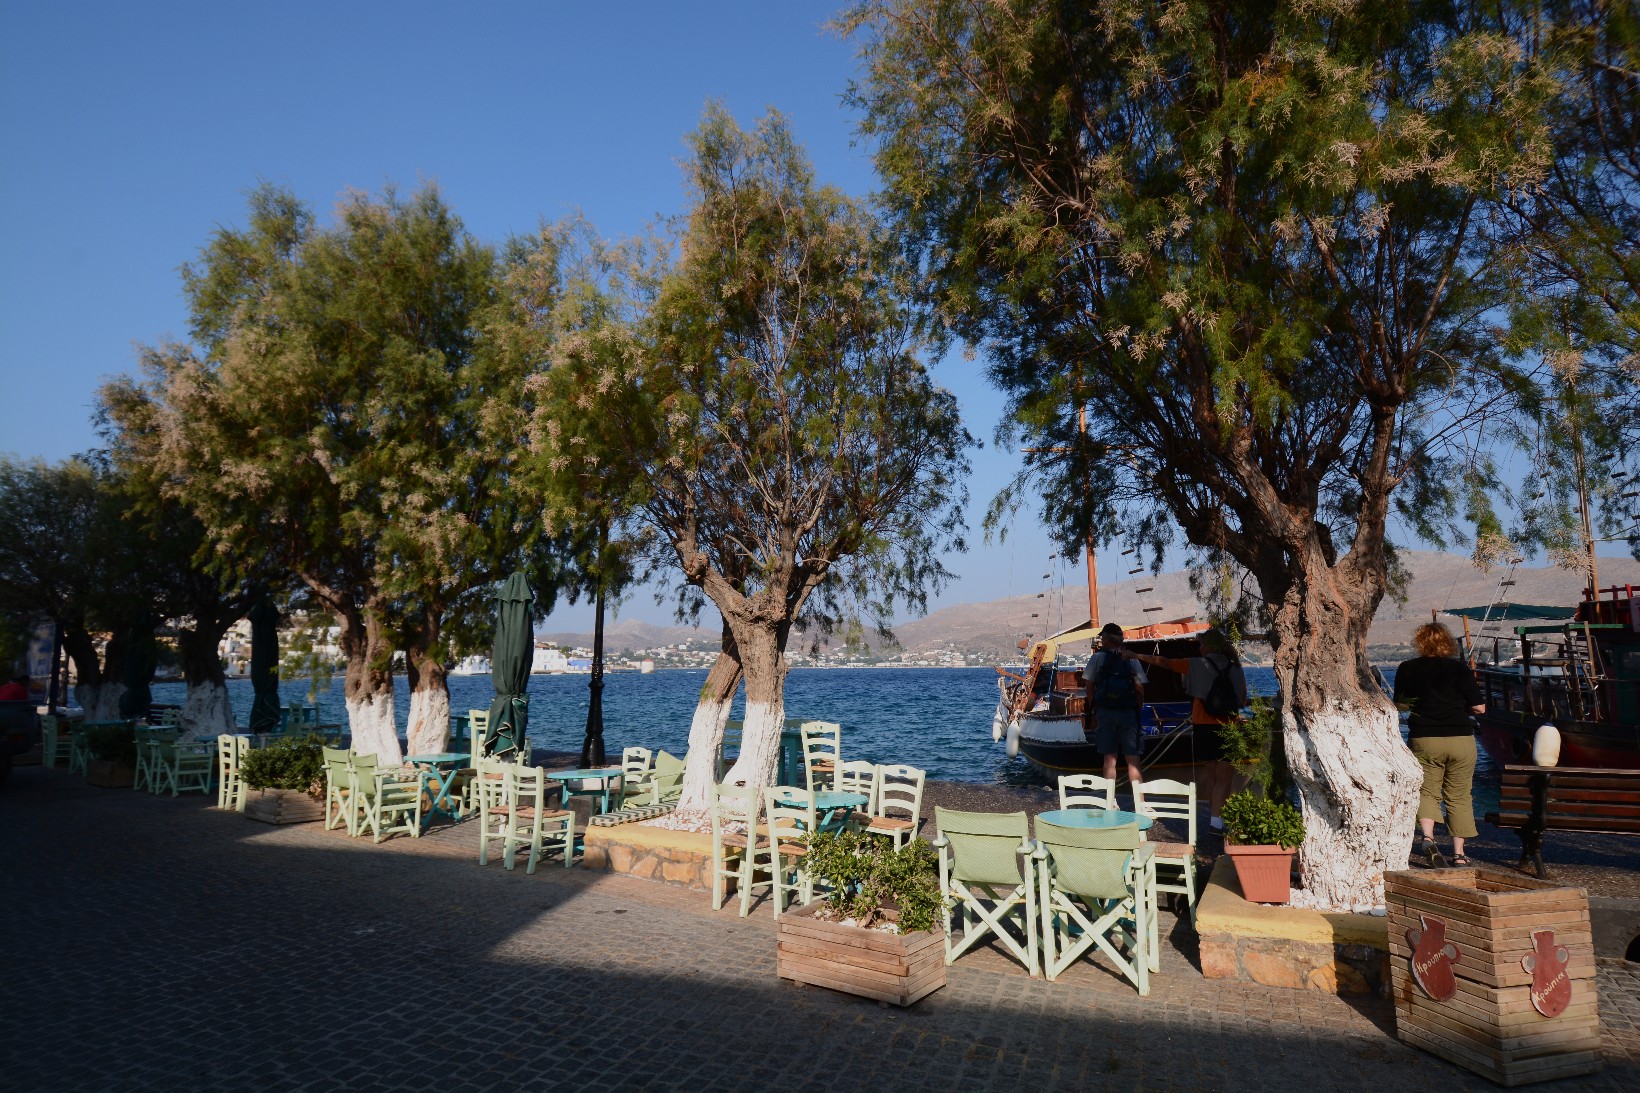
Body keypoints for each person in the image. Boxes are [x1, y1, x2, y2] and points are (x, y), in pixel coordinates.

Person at [1124, 628, 1247, 832]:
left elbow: (1164, 662)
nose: (1199, 648)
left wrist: (1137, 655)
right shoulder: (1235, 668)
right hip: (1228, 727)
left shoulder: (1195, 664)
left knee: (1212, 776)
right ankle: (1217, 822)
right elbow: (1242, 700)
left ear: (1210, 646)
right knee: (1225, 778)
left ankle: (1215, 819)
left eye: (1201, 644)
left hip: (1202, 727)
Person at [1394, 622, 1484, 867]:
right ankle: (1459, 855)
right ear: (1447, 642)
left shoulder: (1407, 668)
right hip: (1460, 739)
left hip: (1425, 739)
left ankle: (1428, 837)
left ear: (1420, 642)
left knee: (1427, 791)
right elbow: (1480, 708)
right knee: (1460, 795)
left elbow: (1401, 705)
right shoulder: (1459, 669)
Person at [1085, 622, 1146, 795]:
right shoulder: (1131, 659)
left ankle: (1110, 800)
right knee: (1133, 759)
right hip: (1128, 713)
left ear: (1106, 639)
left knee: (1109, 759)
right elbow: (1140, 688)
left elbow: (1089, 687)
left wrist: (1095, 708)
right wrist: (1137, 707)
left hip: (1105, 713)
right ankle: (1140, 802)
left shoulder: (1097, 658)